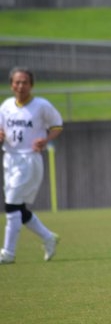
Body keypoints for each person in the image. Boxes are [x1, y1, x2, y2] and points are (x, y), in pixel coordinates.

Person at [0, 67, 63, 264]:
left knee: (11, 205)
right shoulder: (6, 106)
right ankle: (48, 237)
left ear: (31, 85)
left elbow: (57, 125)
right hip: (9, 159)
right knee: (19, 209)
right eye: (17, 82)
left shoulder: (41, 105)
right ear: (11, 85)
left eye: (24, 82)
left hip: (29, 159)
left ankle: (8, 253)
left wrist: (45, 140)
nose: (20, 86)